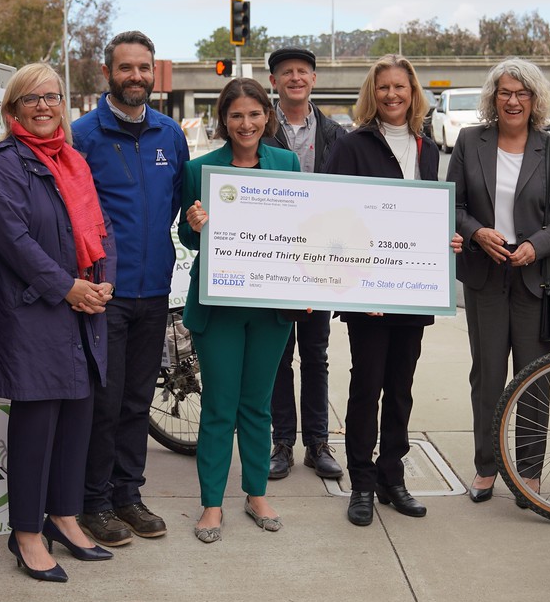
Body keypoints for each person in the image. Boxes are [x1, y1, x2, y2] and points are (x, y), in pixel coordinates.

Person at [0, 63, 114, 582]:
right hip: (33, 311)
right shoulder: (1, 167)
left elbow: (100, 228)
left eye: (51, 97)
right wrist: (69, 288)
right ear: (13, 108)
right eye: (31, 99)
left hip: (82, 309)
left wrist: (104, 283)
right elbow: (15, 243)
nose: (43, 106)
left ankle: (64, 517)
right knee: (37, 423)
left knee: (77, 416)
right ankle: (27, 533)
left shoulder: (73, 162)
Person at [323, 55, 461, 527]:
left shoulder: (426, 149)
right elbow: (336, 218)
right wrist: (363, 285)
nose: (392, 95)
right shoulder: (352, 145)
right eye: (383, 87)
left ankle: (391, 476)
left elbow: (423, 214)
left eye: (400, 87)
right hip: (369, 295)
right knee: (367, 386)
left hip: (413, 291)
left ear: (413, 91)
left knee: (401, 387)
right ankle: (361, 482)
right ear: (372, 93)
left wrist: (446, 238)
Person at [71, 32, 189, 546]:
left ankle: (128, 494)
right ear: (108, 73)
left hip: (155, 289)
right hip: (103, 293)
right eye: (126, 68)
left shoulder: (170, 134)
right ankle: (93, 501)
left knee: (139, 399)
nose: (135, 77)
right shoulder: (81, 136)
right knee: (104, 400)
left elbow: (185, 209)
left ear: (154, 74)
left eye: (144, 68)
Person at [446, 59, 550, 505]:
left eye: (522, 93)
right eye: (505, 92)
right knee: (487, 378)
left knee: (534, 378)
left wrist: (536, 245)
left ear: (536, 100)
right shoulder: (470, 141)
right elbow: (453, 203)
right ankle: (487, 468)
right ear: (493, 98)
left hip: (534, 280)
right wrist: (477, 232)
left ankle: (529, 475)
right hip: (485, 277)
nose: (513, 100)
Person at [178, 79, 298, 542]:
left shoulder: (286, 163)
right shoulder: (200, 168)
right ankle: (212, 504)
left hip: (269, 307)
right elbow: (188, 239)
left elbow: (298, 229)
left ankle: (256, 493)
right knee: (219, 406)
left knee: (257, 405)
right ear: (223, 121)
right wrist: (194, 226)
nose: (245, 124)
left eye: (254, 114)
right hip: (220, 305)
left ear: (266, 117)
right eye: (236, 116)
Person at [265, 46, 343, 482]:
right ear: (274, 81)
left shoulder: (337, 133)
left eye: (302, 72)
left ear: (313, 79)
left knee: (316, 353)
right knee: (278, 355)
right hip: (276, 258)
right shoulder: (259, 127)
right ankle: (282, 442)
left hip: (321, 260)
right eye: (286, 72)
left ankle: (317, 443)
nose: (295, 78)